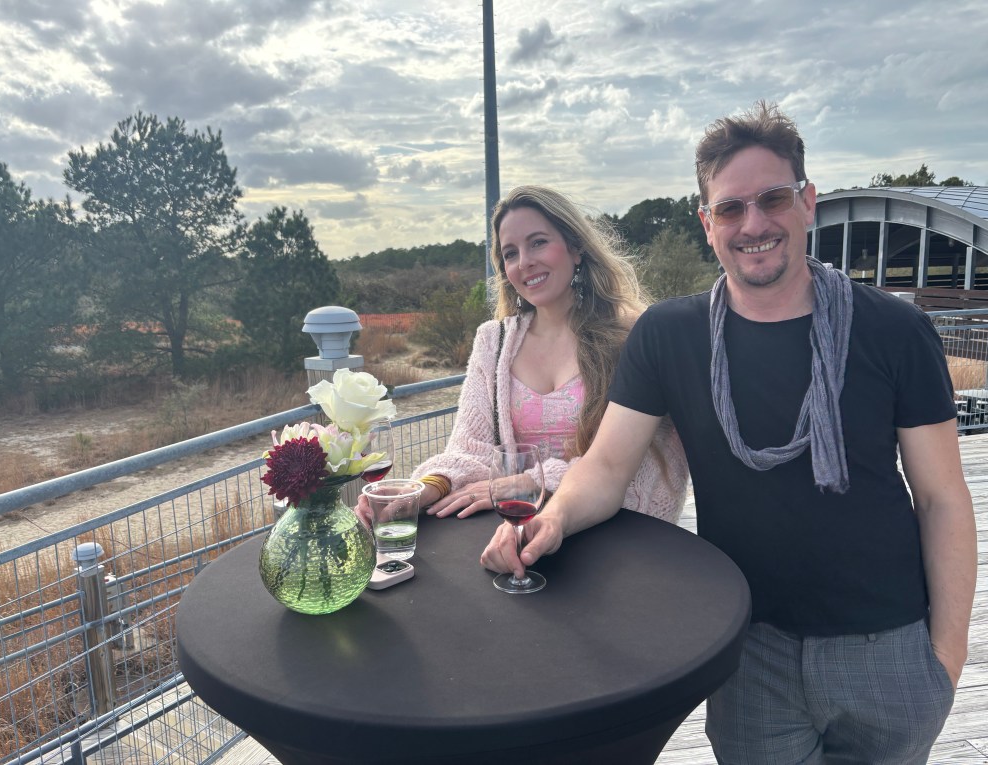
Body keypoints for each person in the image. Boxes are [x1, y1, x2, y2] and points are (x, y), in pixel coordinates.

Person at [480, 104, 976, 764]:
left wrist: (945, 658)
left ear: (807, 202)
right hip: (750, 653)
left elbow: (942, 498)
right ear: (707, 223)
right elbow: (605, 468)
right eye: (730, 208)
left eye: (773, 199)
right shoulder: (668, 337)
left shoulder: (894, 331)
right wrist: (553, 519)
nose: (754, 224)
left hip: (886, 651)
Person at [360, 185, 688, 525]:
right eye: (510, 253)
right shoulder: (493, 342)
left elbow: (630, 463)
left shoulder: (633, 336)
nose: (525, 262)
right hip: (515, 527)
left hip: (618, 531)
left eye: (538, 242)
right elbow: (470, 448)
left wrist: (529, 483)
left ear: (576, 248)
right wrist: (425, 488)